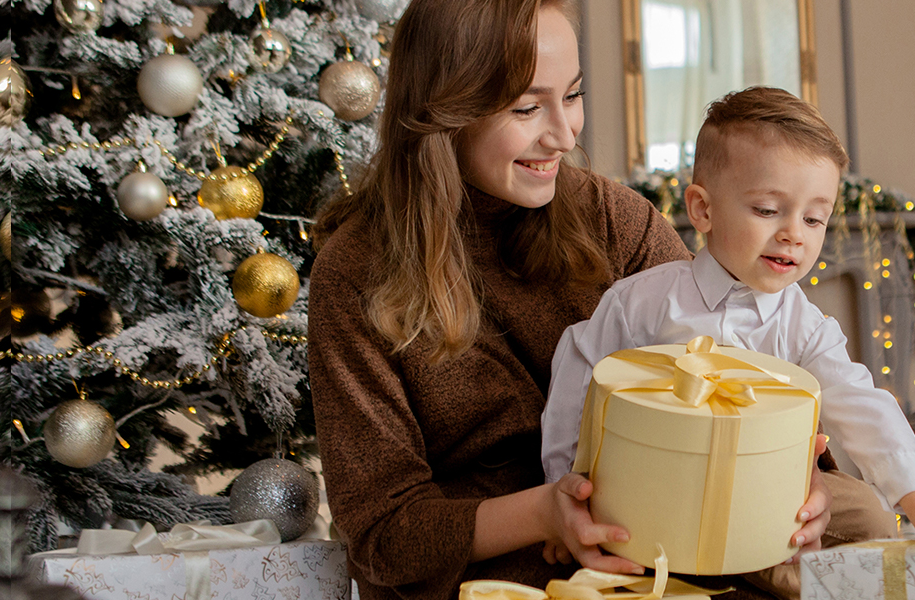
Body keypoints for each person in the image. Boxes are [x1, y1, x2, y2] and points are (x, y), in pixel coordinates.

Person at [308, 1, 833, 599]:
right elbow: (383, 534)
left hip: (666, 560)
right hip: (488, 583)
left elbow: (737, 378)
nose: (564, 133)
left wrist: (798, 480)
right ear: (445, 112)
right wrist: (545, 513)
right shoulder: (356, 274)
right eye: (528, 107)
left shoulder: (614, 218)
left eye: (574, 95)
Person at [540, 87, 915, 598]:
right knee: (654, 552)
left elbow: (860, 402)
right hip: (663, 485)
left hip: (770, 493)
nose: (793, 234)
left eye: (814, 218)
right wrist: (565, 483)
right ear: (703, 210)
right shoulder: (643, 302)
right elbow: (580, 372)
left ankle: (780, 566)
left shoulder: (803, 323)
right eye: (767, 210)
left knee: (867, 515)